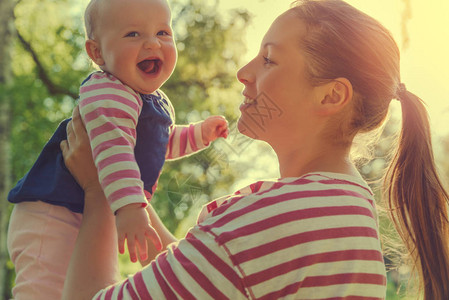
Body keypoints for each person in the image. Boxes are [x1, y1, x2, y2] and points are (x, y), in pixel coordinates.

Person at [61, 0, 449, 299]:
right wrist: (135, 198)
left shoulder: (265, 222)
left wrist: (99, 194)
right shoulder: (348, 209)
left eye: (269, 59)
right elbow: (213, 270)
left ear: (332, 95)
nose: (243, 72)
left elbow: (226, 253)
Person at [6, 0, 228, 298]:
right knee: (45, 287)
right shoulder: (109, 91)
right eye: (133, 34)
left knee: (78, 281)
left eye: (163, 32)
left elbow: (159, 144)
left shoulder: (153, 100)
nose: (152, 43)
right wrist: (130, 208)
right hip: (52, 210)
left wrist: (200, 134)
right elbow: (115, 151)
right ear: (97, 52)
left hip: (80, 207)